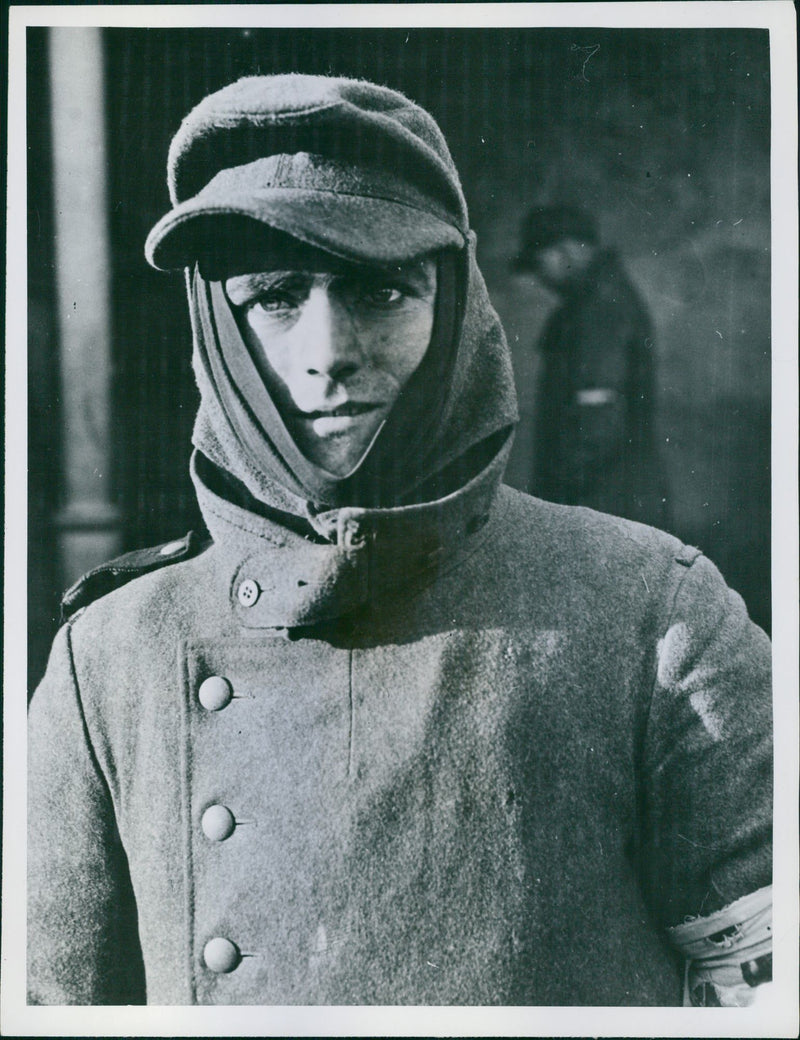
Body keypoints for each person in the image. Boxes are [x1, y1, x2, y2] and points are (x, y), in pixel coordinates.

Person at [28, 73, 772, 1007]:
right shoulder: (110, 661)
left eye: (380, 290)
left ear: (456, 311)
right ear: (213, 330)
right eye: (272, 297)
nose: (328, 348)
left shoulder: (654, 614)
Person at [513, 205, 669, 528]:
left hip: (603, 505)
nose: (539, 278)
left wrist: (555, 506)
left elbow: (597, 422)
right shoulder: (598, 300)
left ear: (565, 251)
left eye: (539, 263)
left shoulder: (599, 308)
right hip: (611, 502)